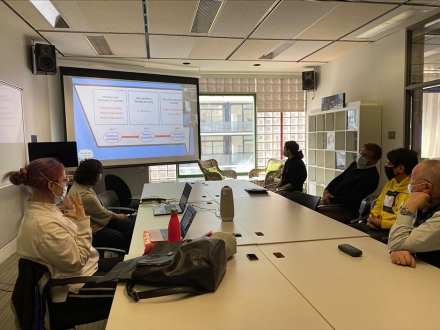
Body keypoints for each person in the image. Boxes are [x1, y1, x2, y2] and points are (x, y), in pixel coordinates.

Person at [2, 158, 120, 316]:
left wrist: (67, 214)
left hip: (85, 269)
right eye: (64, 180)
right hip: (74, 285)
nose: (66, 184)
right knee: (130, 286)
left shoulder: (46, 210)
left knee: (132, 265)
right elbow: (77, 262)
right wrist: (83, 223)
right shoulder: (43, 226)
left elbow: (64, 239)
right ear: (51, 185)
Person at [350, 148, 419, 242]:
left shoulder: (413, 189)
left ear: (400, 168)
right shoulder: (391, 183)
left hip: (391, 231)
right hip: (376, 225)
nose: (387, 166)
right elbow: (379, 203)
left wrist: (382, 223)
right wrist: (372, 219)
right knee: (348, 231)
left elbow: (407, 221)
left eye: (389, 163)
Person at [69, 159, 134, 252]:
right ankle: (127, 254)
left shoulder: (79, 185)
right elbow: (103, 214)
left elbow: (100, 211)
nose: (100, 176)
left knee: (128, 225)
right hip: (93, 229)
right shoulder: (85, 196)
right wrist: (120, 216)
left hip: (95, 220)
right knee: (120, 236)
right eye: (99, 173)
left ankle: (129, 251)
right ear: (93, 176)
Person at [388, 159, 440, 268]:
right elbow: (398, 238)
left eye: (412, 181)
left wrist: (408, 208)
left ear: (427, 187)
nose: (409, 184)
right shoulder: (425, 201)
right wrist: (396, 251)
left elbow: (396, 242)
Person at [318, 143, 382, 221]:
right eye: (361, 152)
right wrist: (326, 191)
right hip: (331, 201)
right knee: (308, 206)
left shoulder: (371, 176)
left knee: (315, 213)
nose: (361, 156)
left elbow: (353, 199)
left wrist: (329, 199)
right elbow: (339, 178)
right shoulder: (355, 164)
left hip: (346, 209)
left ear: (374, 161)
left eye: (365, 155)